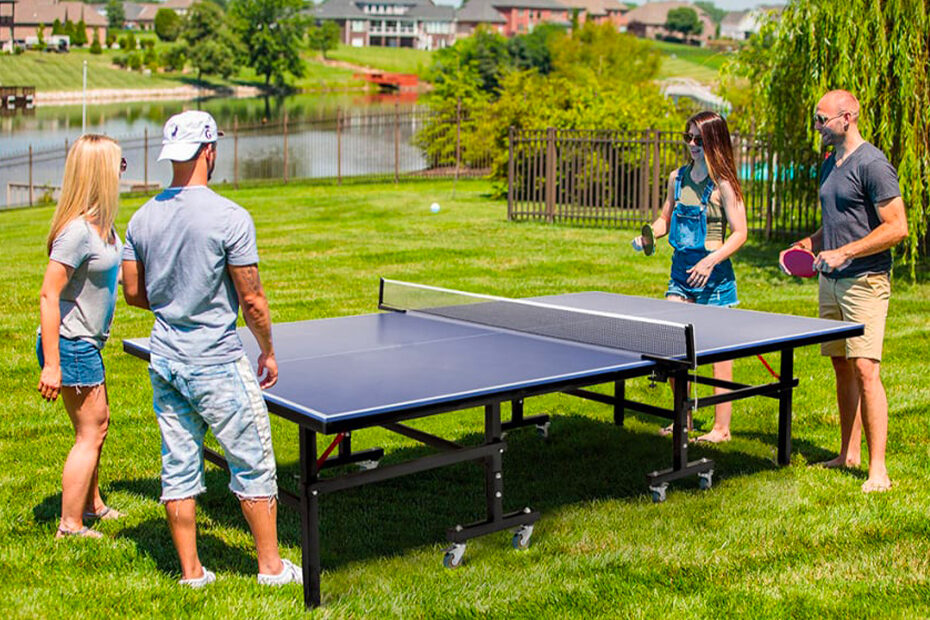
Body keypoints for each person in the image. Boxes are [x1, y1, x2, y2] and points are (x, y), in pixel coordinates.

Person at [121, 110, 301, 587]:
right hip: (217, 361)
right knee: (254, 463)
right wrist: (267, 350)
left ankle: (192, 573)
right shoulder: (229, 217)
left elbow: (134, 293)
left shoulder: (141, 217)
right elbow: (253, 300)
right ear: (208, 151)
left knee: (178, 466)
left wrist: (174, 297)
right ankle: (271, 568)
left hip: (166, 360)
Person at [780, 90, 908, 493]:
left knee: (867, 370)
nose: (816, 127)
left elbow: (896, 227)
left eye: (822, 120)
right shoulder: (829, 164)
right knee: (841, 366)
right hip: (831, 280)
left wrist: (845, 253)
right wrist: (813, 244)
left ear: (847, 118)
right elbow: (838, 223)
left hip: (865, 281)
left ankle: (878, 470)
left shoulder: (872, 164)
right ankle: (847, 453)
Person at [633, 111, 748, 443]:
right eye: (689, 138)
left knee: (716, 352)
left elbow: (740, 233)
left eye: (699, 139)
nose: (693, 145)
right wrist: (649, 236)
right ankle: (682, 418)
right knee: (672, 346)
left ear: (714, 140)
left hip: (714, 276)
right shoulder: (677, 178)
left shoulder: (724, 184)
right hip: (681, 274)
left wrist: (711, 261)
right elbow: (664, 219)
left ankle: (721, 428)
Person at [38, 134, 126, 538]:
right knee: (90, 431)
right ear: (100, 174)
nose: (123, 173)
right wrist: (53, 365)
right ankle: (70, 524)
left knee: (99, 425)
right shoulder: (77, 232)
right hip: (71, 345)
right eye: (119, 166)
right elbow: (48, 294)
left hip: (85, 343)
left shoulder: (101, 226)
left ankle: (92, 505)